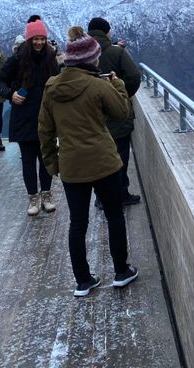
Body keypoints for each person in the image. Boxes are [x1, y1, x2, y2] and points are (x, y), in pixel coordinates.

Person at [39, 26, 138, 297]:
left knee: (77, 223)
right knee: (114, 215)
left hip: (72, 166)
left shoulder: (51, 89)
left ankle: (83, 281)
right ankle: (121, 272)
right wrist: (115, 83)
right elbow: (121, 112)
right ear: (89, 60)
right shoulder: (97, 85)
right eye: (95, 58)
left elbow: (44, 131)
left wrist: (53, 164)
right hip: (104, 163)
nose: (98, 61)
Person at [0, 19, 59, 215]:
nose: (39, 42)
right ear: (29, 39)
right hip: (24, 116)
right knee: (29, 161)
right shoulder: (17, 59)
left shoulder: (50, 58)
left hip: (46, 116)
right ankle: (33, 198)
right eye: (35, 39)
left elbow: (58, 80)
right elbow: (0, 80)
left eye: (42, 39)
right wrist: (10, 94)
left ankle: (46, 195)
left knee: (47, 159)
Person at [87, 17, 141, 206]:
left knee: (97, 157)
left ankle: (101, 198)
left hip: (91, 115)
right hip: (118, 115)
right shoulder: (116, 52)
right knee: (120, 155)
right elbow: (134, 76)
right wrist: (122, 95)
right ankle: (121, 194)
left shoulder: (82, 54)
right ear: (107, 32)